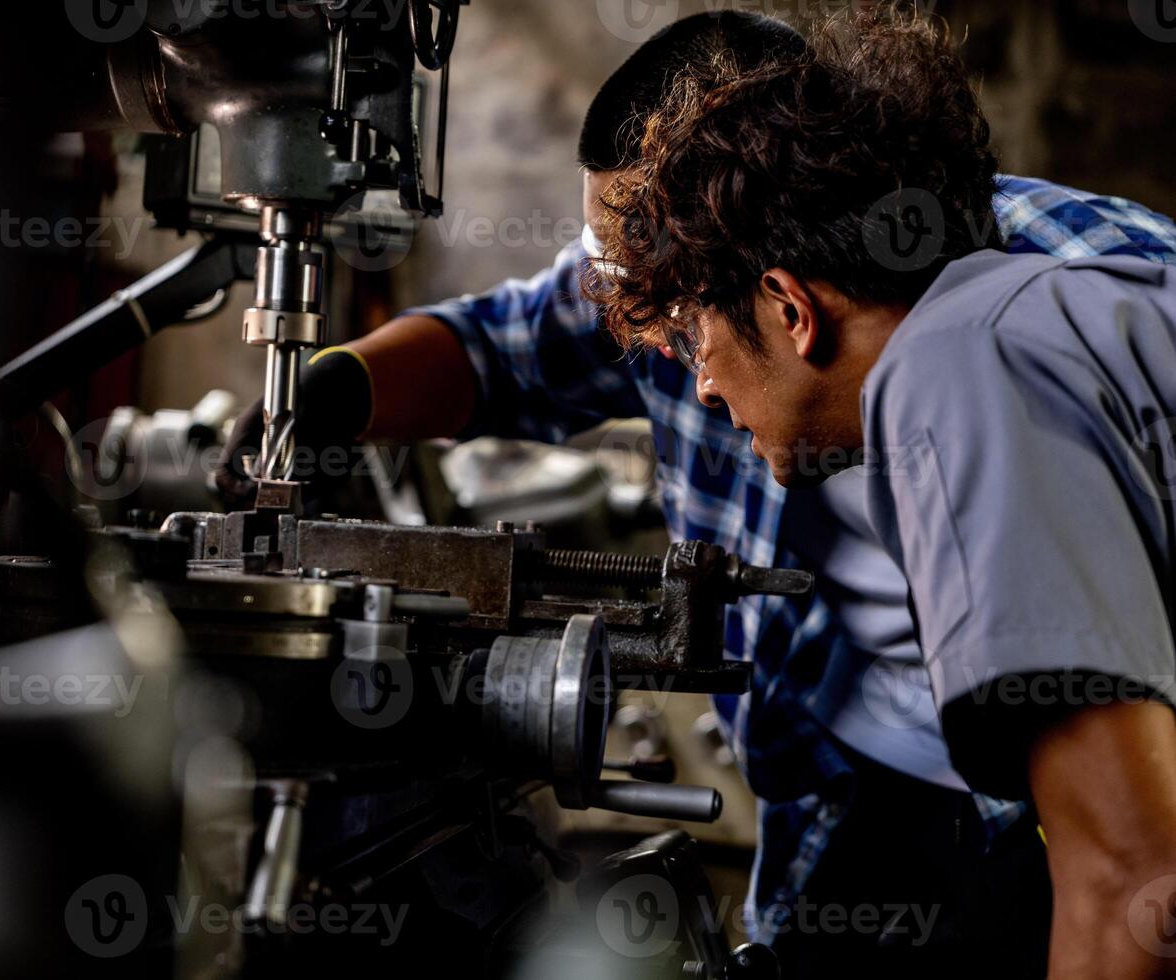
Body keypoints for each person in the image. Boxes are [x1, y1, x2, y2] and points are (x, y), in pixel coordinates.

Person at [219, 11, 1176, 975]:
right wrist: (308, 395)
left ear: (773, 281)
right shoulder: (708, 283)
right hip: (867, 770)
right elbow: (494, 349)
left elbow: (1132, 864)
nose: (682, 365)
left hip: (1083, 775)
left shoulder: (989, 345)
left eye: (678, 319)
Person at [590, 10, 1176, 978]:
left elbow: (1133, 882)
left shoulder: (955, 368)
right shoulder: (1045, 312)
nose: (699, 385)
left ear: (789, 305)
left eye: (698, 339)